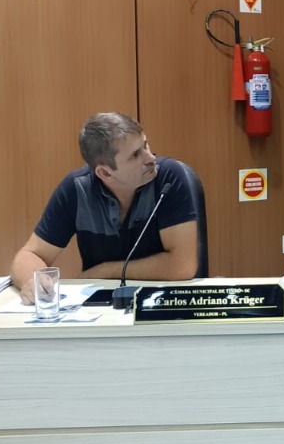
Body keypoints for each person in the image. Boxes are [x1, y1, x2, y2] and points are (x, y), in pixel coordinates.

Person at [11, 112, 201, 302]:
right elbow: (29, 254)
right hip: (102, 305)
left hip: (161, 301)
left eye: (145, 145)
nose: (150, 158)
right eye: (136, 155)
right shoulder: (77, 190)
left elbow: (182, 265)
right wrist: (34, 281)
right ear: (105, 173)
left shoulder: (168, 178)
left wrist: (104, 271)